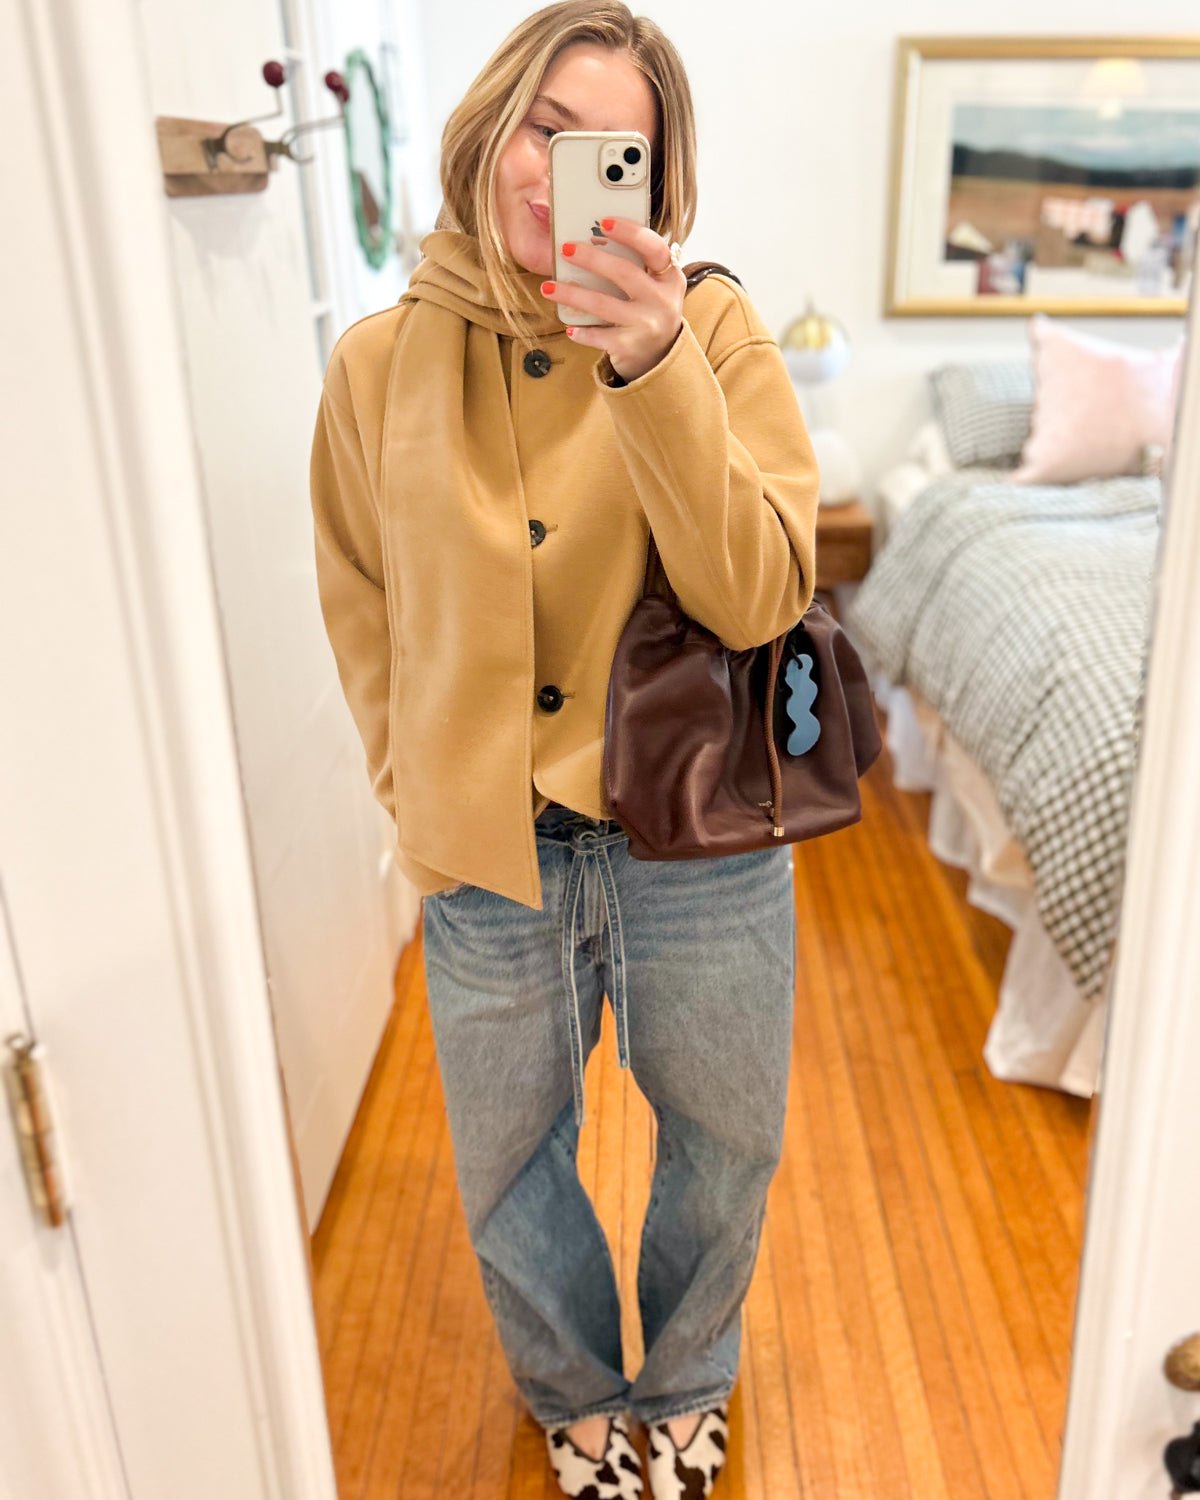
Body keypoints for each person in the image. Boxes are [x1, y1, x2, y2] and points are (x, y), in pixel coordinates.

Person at [309, 4, 820, 1496]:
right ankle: (573, 1392)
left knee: (725, 1145)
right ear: (490, 125)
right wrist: (417, 790)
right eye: (546, 126)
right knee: (509, 1163)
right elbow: (360, 602)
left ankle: (689, 1378)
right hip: (490, 858)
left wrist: (654, 369)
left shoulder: (708, 332)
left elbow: (761, 593)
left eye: (615, 150)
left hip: (694, 842)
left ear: (654, 184)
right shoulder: (378, 365)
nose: (561, 169)